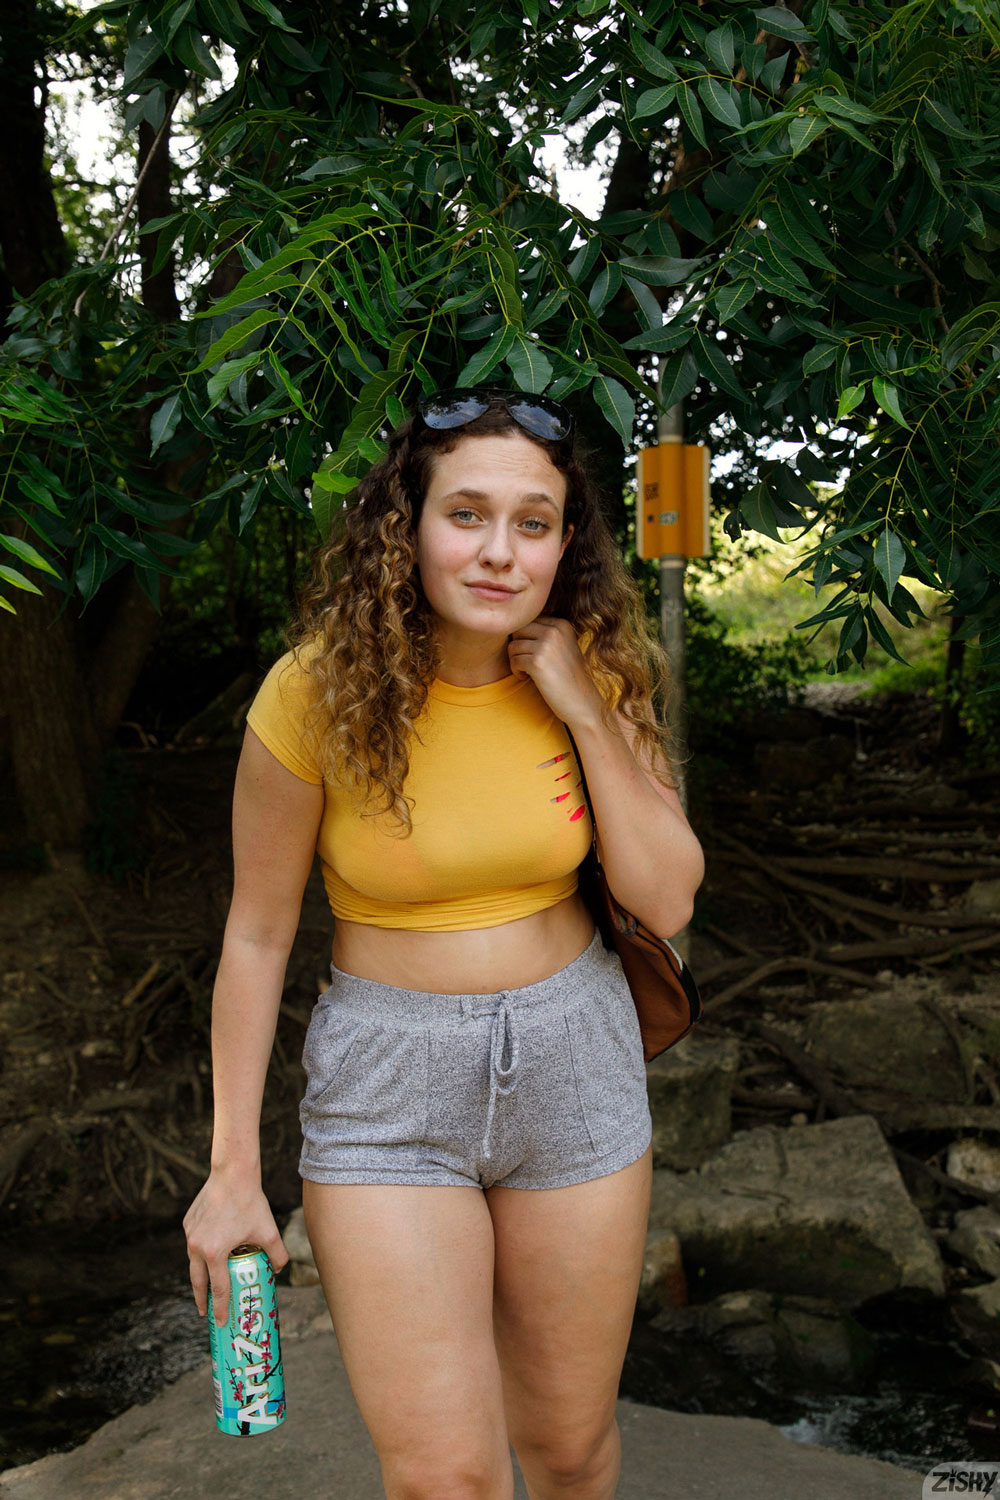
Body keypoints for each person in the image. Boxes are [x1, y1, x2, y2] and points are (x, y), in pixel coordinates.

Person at [183, 386, 705, 1500]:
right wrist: (230, 1173)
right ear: (407, 524)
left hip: (573, 1061)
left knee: (567, 1453)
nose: (498, 552)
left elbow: (664, 902)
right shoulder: (313, 694)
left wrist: (578, 706)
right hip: (388, 1086)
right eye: (465, 514)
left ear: (569, 543)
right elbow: (258, 933)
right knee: (444, 1480)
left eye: (533, 521)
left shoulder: (602, 669)